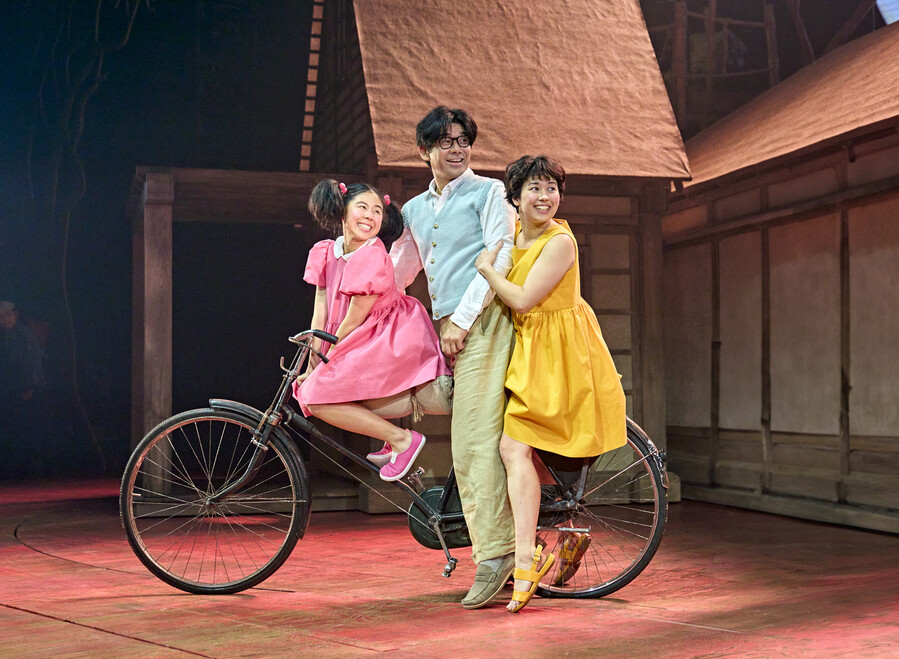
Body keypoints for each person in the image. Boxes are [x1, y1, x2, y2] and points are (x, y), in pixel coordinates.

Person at [475, 155, 628, 612]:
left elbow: (523, 299)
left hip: (559, 353)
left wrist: (488, 270)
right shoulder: (515, 234)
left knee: (513, 448)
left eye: (551, 189)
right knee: (523, 452)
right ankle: (561, 534)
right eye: (535, 189)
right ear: (515, 197)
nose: (545, 197)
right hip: (531, 348)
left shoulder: (560, 241)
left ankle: (526, 559)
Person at [391, 106, 517, 609]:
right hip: (445, 329)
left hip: (483, 320)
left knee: (471, 443)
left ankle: (496, 555)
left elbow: (501, 253)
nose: (457, 149)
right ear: (425, 150)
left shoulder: (489, 192)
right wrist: (344, 312)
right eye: (445, 141)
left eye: (463, 140)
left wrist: (462, 321)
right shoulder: (414, 209)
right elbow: (398, 272)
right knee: (401, 395)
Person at [293, 180, 451, 482]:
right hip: (347, 335)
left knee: (315, 396)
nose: (370, 216)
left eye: (377, 210)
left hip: (382, 336)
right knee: (311, 389)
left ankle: (402, 439)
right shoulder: (326, 251)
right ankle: (391, 437)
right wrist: (313, 359)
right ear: (342, 210)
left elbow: (354, 320)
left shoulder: (371, 255)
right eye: (362, 207)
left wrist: (325, 362)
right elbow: (320, 311)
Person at [0, 300, 46, 478]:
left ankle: (31, 469)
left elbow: (33, 363)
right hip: (9, 390)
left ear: (15, 315)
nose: (5, 320)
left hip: (26, 390)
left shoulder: (25, 335)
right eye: (1, 317)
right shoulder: (4, 336)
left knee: (27, 428)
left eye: (7, 315)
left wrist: (29, 387)